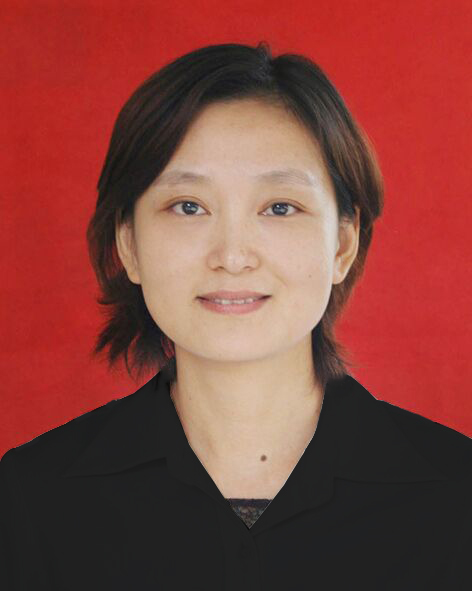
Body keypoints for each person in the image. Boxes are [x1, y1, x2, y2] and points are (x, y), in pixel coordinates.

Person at [1, 41, 470, 590]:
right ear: (128, 245)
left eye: (279, 207)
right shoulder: (30, 498)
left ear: (343, 245)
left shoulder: (458, 498)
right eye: (188, 207)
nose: (231, 255)